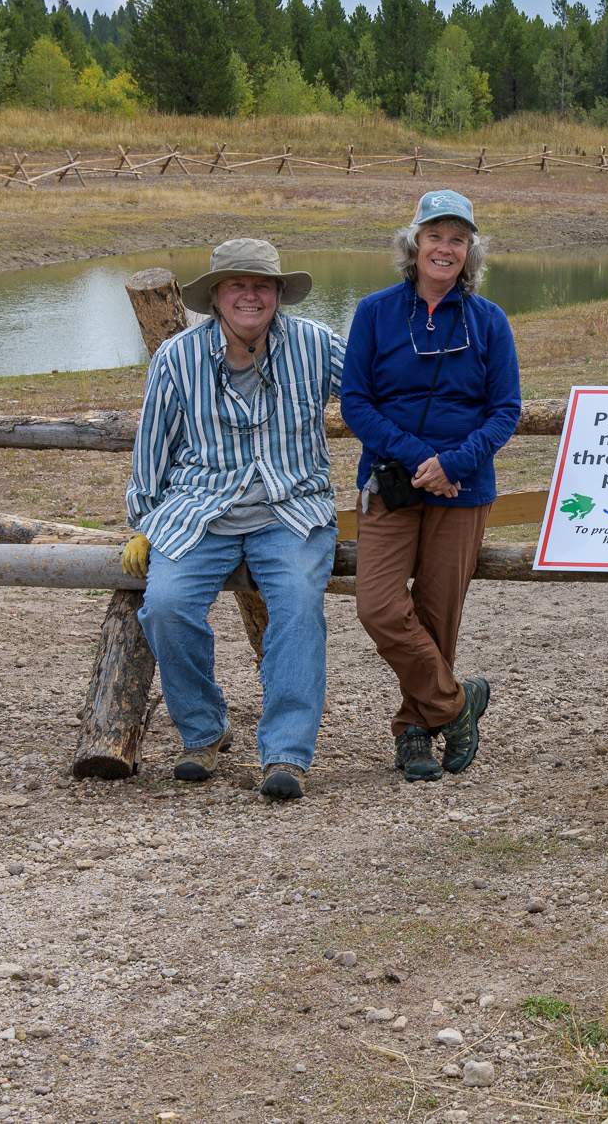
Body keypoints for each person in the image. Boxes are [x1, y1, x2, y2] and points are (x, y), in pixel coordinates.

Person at [122, 238, 345, 801]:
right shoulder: (176, 356)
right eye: (237, 285)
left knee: (296, 604)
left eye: (262, 285)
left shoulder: (317, 344)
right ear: (217, 295)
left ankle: (287, 753)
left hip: (291, 510)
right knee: (167, 607)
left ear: (278, 293)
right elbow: (153, 445)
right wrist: (146, 521)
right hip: (200, 510)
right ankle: (204, 731)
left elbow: (379, 393)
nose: (250, 295)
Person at [340, 191, 519, 783]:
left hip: (462, 488)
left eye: (458, 239)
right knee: (380, 607)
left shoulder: (490, 321)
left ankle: (414, 730)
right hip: (392, 482)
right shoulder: (373, 312)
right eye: (435, 235)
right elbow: (356, 403)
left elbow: (505, 410)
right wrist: (422, 459)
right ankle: (456, 704)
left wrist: (455, 464)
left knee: (439, 615)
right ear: (414, 243)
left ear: (470, 253)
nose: (445, 248)